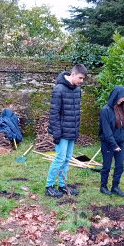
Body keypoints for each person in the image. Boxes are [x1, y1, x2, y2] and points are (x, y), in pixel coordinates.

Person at [45, 64, 88, 197]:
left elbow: (75, 114)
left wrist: (76, 132)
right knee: (59, 158)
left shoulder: (77, 91)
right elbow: (54, 114)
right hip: (61, 132)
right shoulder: (59, 89)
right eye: (80, 78)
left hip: (71, 132)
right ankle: (49, 186)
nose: (81, 81)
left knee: (67, 158)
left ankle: (62, 185)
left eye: (83, 79)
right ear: (73, 74)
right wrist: (56, 133)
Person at [98, 85, 124, 197]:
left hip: (119, 143)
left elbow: (121, 127)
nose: (122, 100)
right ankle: (103, 186)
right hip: (108, 143)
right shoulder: (105, 110)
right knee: (106, 165)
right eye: (121, 97)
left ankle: (115, 187)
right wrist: (113, 145)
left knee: (120, 166)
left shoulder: (120, 109)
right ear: (115, 96)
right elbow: (107, 131)